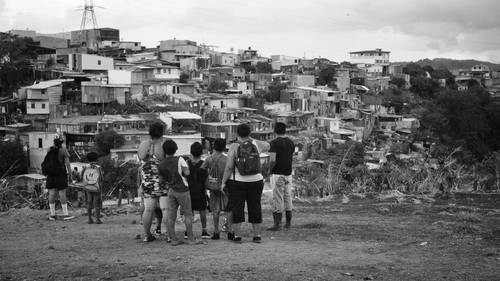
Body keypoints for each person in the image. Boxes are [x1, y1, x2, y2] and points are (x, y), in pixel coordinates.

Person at [221, 124, 264, 243]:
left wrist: (223, 182)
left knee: (237, 208)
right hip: (257, 181)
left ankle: (238, 235)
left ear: (236, 134)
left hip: (238, 182)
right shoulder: (256, 144)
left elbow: (229, 166)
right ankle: (257, 236)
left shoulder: (234, 146)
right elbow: (268, 145)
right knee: (255, 206)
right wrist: (253, 140)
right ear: (249, 133)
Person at [159, 139, 201, 245]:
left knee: (171, 216)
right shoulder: (180, 159)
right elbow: (187, 172)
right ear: (175, 149)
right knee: (187, 214)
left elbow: (161, 180)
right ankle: (191, 239)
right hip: (183, 190)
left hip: (171, 190)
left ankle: (173, 239)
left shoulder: (162, 163)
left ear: (164, 151)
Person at [137, 122, 168, 242]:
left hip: (148, 181)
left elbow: (141, 158)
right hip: (162, 180)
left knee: (148, 209)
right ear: (161, 132)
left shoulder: (144, 144)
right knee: (165, 209)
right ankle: (168, 235)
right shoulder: (164, 144)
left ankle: (147, 235)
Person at [267, 122, 295, 231]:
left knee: (277, 198)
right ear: (285, 130)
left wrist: (269, 170)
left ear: (275, 131)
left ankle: (277, 224)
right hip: (288, 174)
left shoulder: (273, 143)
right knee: (288, 197)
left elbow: (272, 160)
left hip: (277, 174)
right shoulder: (291, 142)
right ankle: (288, 223)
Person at [202, 138, 230, 240]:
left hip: (213, 186)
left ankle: (216, 231)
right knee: (228, 209)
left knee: (215, 210)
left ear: (214, 147)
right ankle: (230, 231)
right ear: (224, 148)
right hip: (225, 186)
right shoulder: (226, 159)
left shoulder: (209, 159)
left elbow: (202, 169)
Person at [43, 136, 74, 221]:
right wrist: (70, 175)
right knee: (62, 193)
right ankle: (65, 214)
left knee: (51, 193)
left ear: (54, 143)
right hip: (60, 174)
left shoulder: (49, 150)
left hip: (50, 175)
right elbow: (67, 164)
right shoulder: (63, 150)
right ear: (62, 143)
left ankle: (52, 214)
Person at [186, 142, 210, 239]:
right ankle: (204, 230)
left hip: (189, 191)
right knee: (202, 211)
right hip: (201, 190)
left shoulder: (187, 163)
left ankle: (188, 231)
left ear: (191, 152)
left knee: (189, 212)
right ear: (201, 152)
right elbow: (207, 178)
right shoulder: (204, 164)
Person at [81, 152, 103, 224]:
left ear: (88, 159)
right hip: (96, 187)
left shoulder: (85, 167)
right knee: (96, 203)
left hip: (87, 187)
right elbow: (101, 178)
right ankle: (97, 219)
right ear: (96, 159)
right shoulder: (98, 167)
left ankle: (89, 219)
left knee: (89, 202)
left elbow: (82, 176)